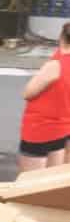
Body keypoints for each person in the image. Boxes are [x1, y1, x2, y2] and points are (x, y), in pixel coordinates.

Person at [18, 22, 70, 171]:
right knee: (51, 182)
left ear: (61, 37)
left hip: (39, 129)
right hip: (62, 129)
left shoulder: (55, 66)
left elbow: (28, 93)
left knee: (29, 184)